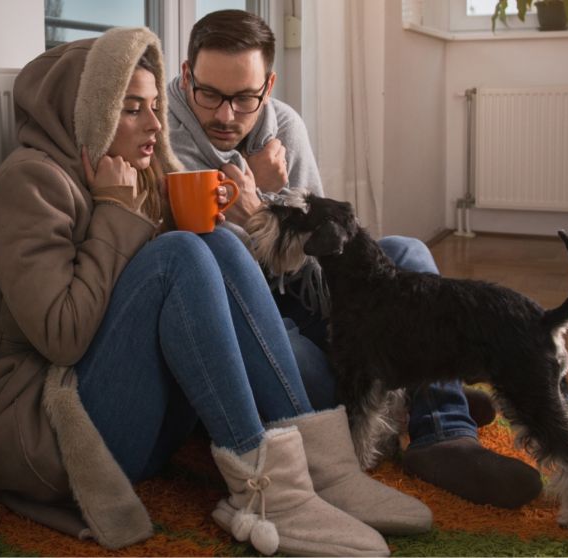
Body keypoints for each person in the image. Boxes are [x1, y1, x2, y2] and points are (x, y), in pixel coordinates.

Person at [0, 27, 429, 557]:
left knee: (216, 243)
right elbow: (63, 340)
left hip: (132, 418)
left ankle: (323, 472)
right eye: (132, 109)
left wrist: (245, 217)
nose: (155, 124)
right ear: (85, 112)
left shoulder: (141, 172)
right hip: (49, 432)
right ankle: (264, 491)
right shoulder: (31, 183)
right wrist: (114, 213)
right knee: (181, 253)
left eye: (155, 106)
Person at [167, 9, 543, 509]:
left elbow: (324, 265)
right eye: (209, 93)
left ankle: (442, 433)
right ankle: (414, 393)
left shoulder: (286, 129)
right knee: (313, 372)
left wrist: (269, 206)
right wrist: (253, 199)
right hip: (247, 320)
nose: (225, 116)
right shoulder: (165, 139)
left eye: (244, 98)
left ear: (269, 85)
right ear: (188, 74)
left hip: (302, 291)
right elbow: (197, 272)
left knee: (407, 252)